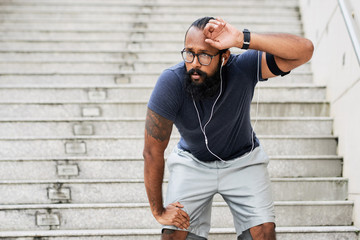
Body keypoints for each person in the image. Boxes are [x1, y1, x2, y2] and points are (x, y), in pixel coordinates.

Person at [143, 16, 313, 240]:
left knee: (263, 232)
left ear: (224, 57)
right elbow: (152, 151)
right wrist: (158, 211)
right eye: (189, 53)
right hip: (192, 162)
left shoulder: (242, 68)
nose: (194, 63)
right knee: (174, 233)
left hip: (243, 161)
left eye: (204, 55)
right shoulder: (171, 82)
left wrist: (243, 39)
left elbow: (304, 50)